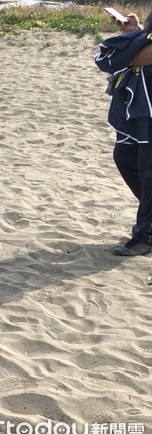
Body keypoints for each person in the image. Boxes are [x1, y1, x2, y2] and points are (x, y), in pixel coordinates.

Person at [95, 12, 152, 256]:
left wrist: (130, 46)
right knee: (125, 157)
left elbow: (129, 57)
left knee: (149, 172)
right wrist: (136, 32)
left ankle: (145, 236)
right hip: (140, 107)